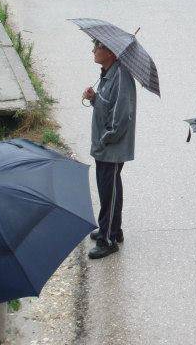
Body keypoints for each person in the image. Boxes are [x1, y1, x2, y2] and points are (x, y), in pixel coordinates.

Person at [81, 38, 136, 260]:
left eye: (97, 46)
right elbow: (106, 106)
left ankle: (109, 239)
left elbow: (121, 117)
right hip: (103, 147)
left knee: (109, 191)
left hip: (110, 148)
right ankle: (112, 228)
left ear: (111, 52)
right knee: (108, 188)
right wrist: (94, 98)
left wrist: (105, 139)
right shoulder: (107, 74)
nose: (93, 50)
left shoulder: (121, 77)